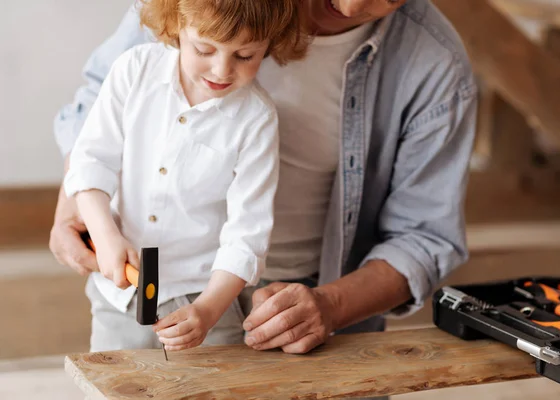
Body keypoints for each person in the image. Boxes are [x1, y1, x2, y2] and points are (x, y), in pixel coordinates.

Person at [51, 0, 477, 357]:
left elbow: (424, 239)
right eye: (205, 48)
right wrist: (84, 209)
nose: (348, 5)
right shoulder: (145, 60)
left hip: (285, 297)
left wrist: (330, 306)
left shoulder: (434, 64)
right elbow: (95, 119)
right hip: (134, 285)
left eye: (244, 55)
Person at [61, 0, 309, 352]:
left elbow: (247, 236)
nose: (221, 70)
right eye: (204, 49)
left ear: (270, 45)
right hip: (118, 293)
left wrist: (207, 311)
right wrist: (106, 236)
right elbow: (90, 163)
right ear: (176, 24)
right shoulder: (134, 71)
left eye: (245, 56)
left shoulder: (257, 119)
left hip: (204, 296)